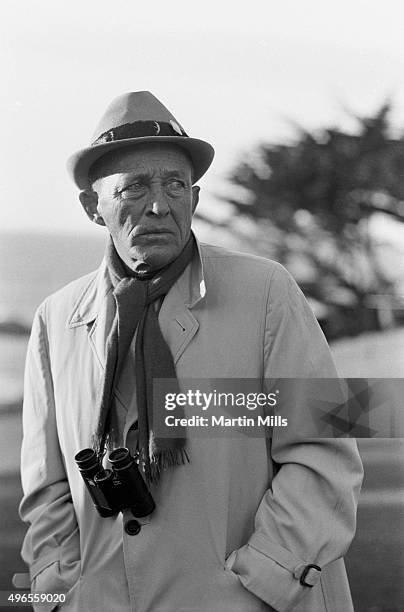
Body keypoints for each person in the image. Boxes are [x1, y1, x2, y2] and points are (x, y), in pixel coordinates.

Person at [18, 91, 363, 612]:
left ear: (195, 199)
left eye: (175, 185)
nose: (159, 205)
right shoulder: (55, 320)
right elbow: (46, 489)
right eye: (135, 187)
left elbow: (323, 455)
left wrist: (261, 581)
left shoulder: (266, 292)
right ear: (94, 207)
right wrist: (56, 594)